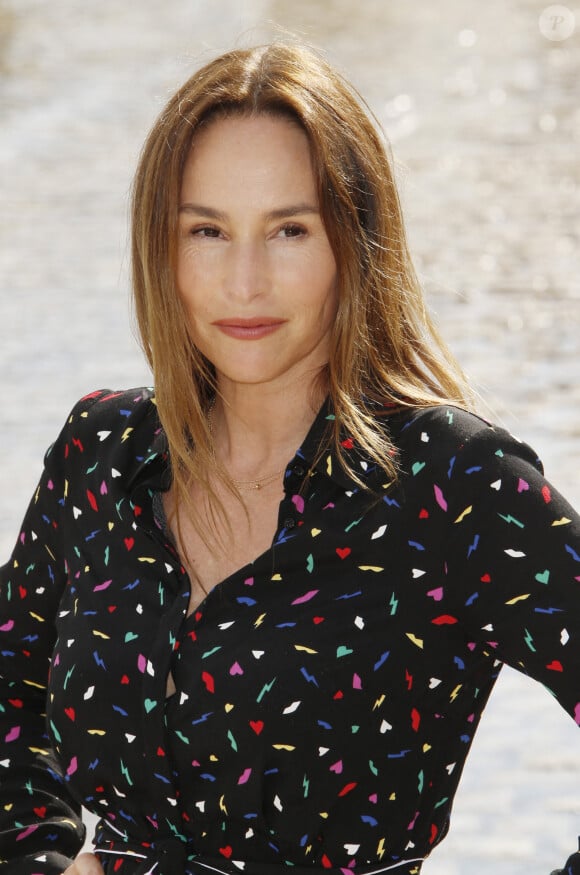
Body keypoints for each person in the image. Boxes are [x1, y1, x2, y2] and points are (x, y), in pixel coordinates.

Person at [0, 41, 578, 875]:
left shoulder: (454, 486)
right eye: (207, 230)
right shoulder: (99, 455)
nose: (244, 281)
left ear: (354, 238)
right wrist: (42, 861)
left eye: (289, 230)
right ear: (160, 250)